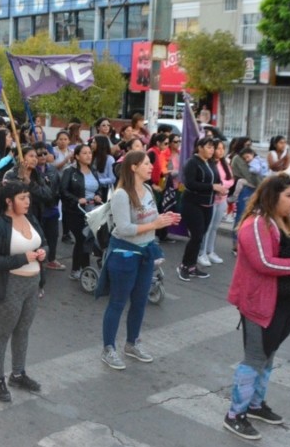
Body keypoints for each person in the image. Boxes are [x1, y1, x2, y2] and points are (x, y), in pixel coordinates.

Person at [223, 174, 290, 440]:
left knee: (269, 355)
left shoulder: (288, 220)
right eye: (289, 196)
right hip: (261, 304)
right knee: (255, 358)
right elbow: (264, 264)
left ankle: (256, 405)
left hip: (287, 304)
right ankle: (235, 414)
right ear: (273, 197)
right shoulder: (255, 224)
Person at [99, 151, 180, 370]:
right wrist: (155, 225)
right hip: (125, 255)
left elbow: (151, 218)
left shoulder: (147, 190)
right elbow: (124, 229)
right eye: (146, 163)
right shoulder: (121, 195)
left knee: (140, 301)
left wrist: (165, 219)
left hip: (145, 252)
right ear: (133, 167)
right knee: (117, 302)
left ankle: (132, 343)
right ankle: (108, 348)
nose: (150, 166)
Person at [0, 181, 48, 403]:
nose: (28, 202)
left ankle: (18, 374)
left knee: (23, 330)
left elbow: (44, 242)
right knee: (2, 334)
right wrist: (23, 258)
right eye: (22, 198)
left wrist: (43, 253)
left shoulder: (31, 218)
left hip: (32, 284)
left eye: (28, 197)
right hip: (8, 286)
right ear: (9, 201)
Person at [178, 137, 226, 281]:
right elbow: (191, 183)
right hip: (192, 203)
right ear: (199, 147)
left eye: (213, 147)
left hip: (208, 204)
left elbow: (216, 179)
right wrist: (212, 187)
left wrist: (220, 187)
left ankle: (192, 266)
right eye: (209, 147)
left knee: (200, 236)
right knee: (196, 236)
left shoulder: (211, 162)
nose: (212, 150)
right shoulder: (192, 162)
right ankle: (184, 266)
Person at [60, 144, 107, 280]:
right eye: (85, 153)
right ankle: (75, 270)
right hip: (75, 211)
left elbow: (97, 188)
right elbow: (63, 191)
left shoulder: (93, 170)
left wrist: (98, 196)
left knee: (89, 239)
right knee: (81, 238)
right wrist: (77, 200)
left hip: (92, 211)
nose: (88, 156)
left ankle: (86, 268)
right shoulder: (70, 171)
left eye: (90, 153)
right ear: (77, 156)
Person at [199, 139, 234, 267]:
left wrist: (222, 187)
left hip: (222, 199)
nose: (220, 151)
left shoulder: (225, 163)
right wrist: (218, 186)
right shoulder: (208, 163)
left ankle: (210, 251)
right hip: (211, 200)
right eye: (218, 148)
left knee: (214, 227)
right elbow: (209, 181)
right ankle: (201, 253)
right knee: (207, 228)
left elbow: (230, 179)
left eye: (222, 149)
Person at [230, 144, 267, 254]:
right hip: (246, 189)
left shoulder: (256, 160)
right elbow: (243, 174)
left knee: (253, 218)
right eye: (246, 143)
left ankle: (246, 244)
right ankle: (236, 244)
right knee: (241, 216)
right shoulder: (238, 159)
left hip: (256, 189)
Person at [34, 142, 65, 272]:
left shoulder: (52, 169)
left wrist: (55, 198)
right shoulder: (31, 171)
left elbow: (58, 186)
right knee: (37, 237)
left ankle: (51, 259)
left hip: (52, 208)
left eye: (45, 153)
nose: (42, 156)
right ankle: (36, 260)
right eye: (39, 154)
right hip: (37, 209)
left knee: (53, 235)